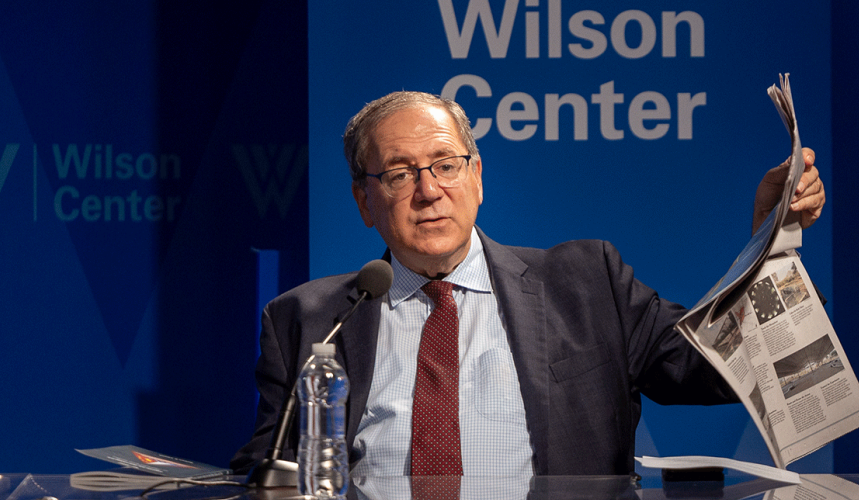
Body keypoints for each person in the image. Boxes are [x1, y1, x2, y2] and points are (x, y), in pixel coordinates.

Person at [231, 91, 825, 477]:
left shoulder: (587, 286)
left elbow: (726, 369)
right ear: (365, 200)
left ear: (477, 177)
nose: (429, 190)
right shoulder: (309, 318)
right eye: (398, 174)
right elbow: (269, 473)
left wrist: (773, 245)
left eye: (444, 164)